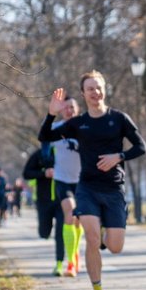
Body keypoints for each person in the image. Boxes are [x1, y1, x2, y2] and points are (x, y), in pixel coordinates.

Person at [40, 70, 146, 290]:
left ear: (104, 90)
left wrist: (118, 156)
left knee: (115, 247)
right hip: (87, 188)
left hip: (114, 188)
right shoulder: (78, 124)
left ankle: (105, 228)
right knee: (91, 237)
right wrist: (51, 113)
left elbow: (141, 147)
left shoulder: (119, 119)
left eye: (98, 87)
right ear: (83, 94)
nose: (95, 92)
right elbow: (45, 135)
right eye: (90, 89)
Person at [51, 97, 84, 277]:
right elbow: (43, 139)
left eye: (72, 107)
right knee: (70, 213)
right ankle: (70, 263)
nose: (69, 110)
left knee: (79, 220)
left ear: (77, 109)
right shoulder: (56, 128)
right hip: (62, 179)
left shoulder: (85, 127)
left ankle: (75, 253)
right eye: (65, 107)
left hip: (82, 180)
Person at [22, 144, 64, 272]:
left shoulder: (65, 154)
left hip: (62, 199)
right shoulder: (39, 154)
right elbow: (26, 173)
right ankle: (45, 232)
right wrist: (43, 173)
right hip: (43, 200)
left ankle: (59, 263)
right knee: (44, 232)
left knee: (60, 233)